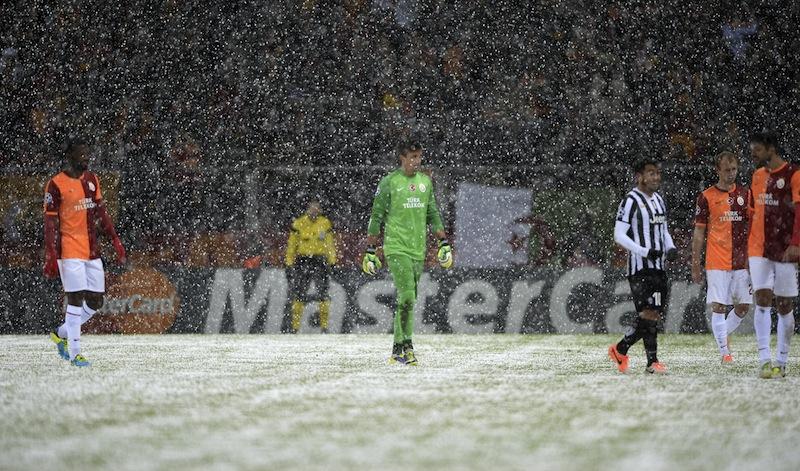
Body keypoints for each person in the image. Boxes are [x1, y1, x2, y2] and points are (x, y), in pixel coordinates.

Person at [362, 139, 452, 365]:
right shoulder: (389, 182)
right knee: (408, 296)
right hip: (396, 247)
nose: (417, 161)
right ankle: (407, 347)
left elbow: (433, 214)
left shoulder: (425, 182)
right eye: (412, 157)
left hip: (417, 249)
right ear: (402, 158)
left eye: (419, 157)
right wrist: (371, 249)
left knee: (408, 300)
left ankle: (396, 350)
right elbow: (376, 216)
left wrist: (443, 242)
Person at [44, 137, 127, 367]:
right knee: (75, 298)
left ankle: (60, 333)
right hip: (69, 249)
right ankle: (75, 353)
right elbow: (49, 223)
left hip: (92, 250)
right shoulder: (56, 184)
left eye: (88, 153)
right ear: (70, 156)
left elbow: (102, 213)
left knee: (96, 301)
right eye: (82, 154)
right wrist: (50, 253)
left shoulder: (92, 180)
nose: (87, 158)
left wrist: (115, 239)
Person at [608, 159, 677, 374]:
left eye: (658, 173)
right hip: (640, 267)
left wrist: (670, 246)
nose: (656, 177)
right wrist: (644, 251)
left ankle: (621, 348)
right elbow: (618, 235)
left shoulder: (658, 200)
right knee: (649, 313)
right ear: (640, 176)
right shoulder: (630, 201)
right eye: (651, 173)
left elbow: (663, 229)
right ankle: (652, 363)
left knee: (652, 314)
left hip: (659, 266)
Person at [691, 151, 751, 364]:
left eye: (734, 169)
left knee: (743, 307)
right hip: (717, 260)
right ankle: (725, 353)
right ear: (717, 170)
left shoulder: (746, 194)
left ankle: (721, 335)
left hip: (741, 260)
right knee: (719, 306)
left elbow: (752, 227)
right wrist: (695, 262)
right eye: (727, 170)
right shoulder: (706, 197)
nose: (731, 174)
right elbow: (699, 232)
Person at [747, 131, 798, 379]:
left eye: (757, 149)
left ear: (771, 149)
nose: (753, 154)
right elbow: (752, 212)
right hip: (758, 249)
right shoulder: (757, 176)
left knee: (785, 305)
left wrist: (796, 243)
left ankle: (782, 360)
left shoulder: (794, 175)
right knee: (762, 300)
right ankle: (765, 359)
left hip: (785, 249)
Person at [285, 200, 337, 333]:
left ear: (319, 210)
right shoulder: (298, 223)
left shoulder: (325, 223)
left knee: (323, 294)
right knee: (299, 294)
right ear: (308, 210)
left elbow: (329, 244)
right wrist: (289, 263)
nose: (314, 211)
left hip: (320, 261)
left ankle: (324, 327)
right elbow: (292, 245)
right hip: (303, 261)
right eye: (312, 208)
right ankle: (295, 328)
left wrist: (332, 261)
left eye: (316, 209)